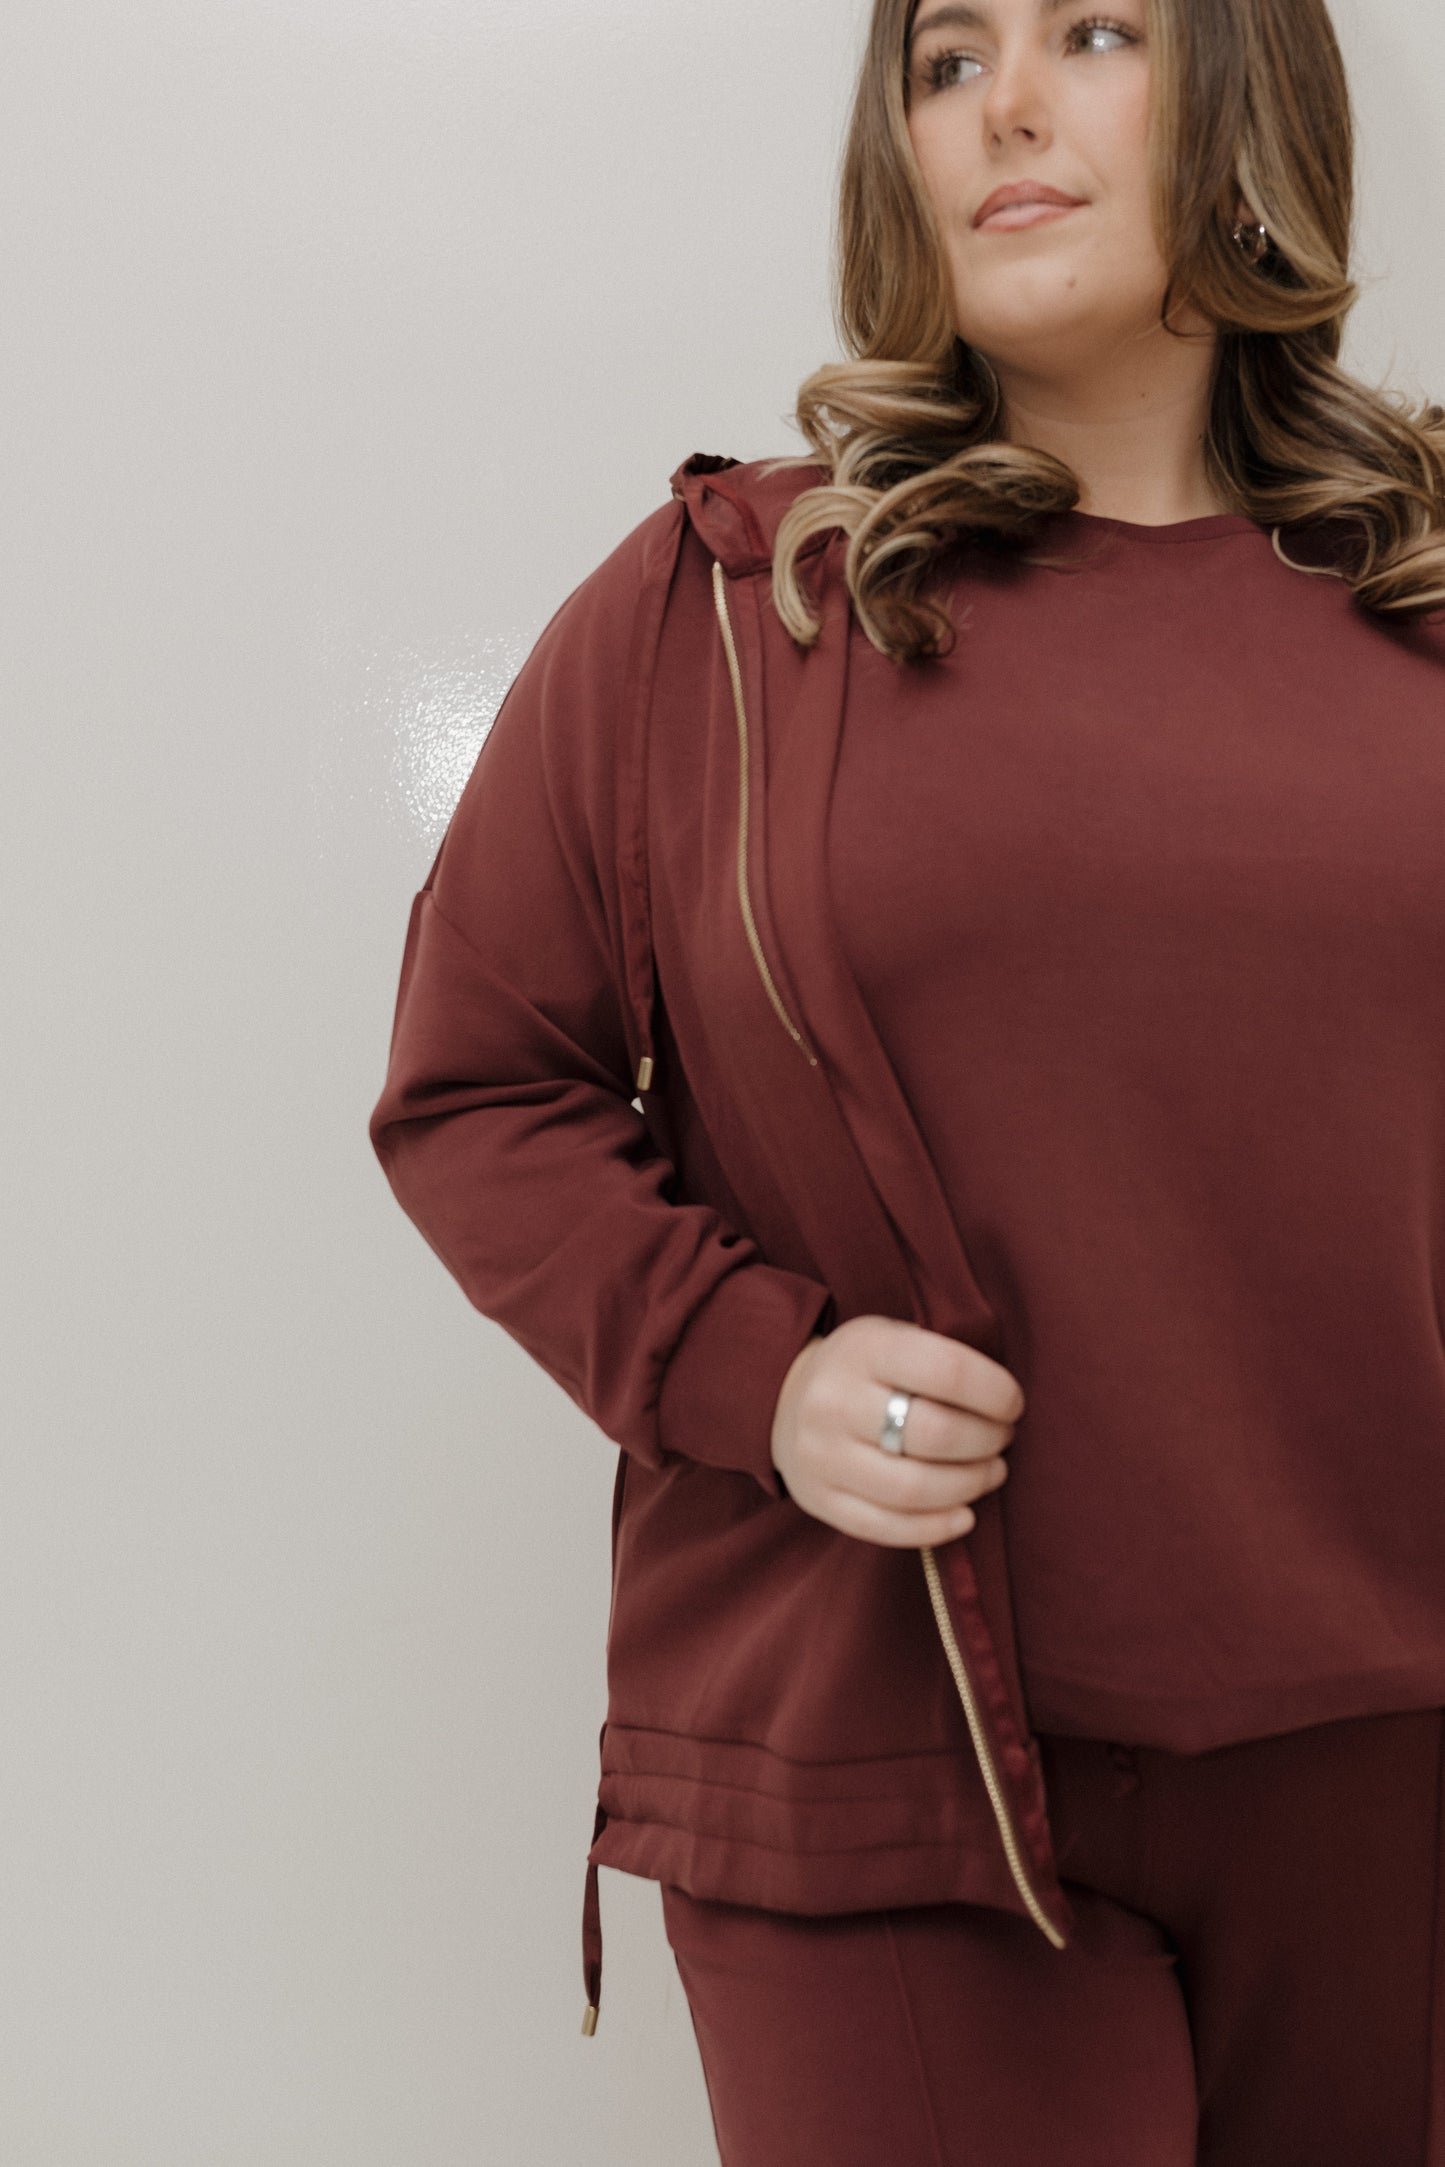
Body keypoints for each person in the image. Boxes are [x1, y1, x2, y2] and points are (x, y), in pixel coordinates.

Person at [367, 0, 1445, 2157]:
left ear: (1254, 101)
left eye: (1092, 35)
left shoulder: (1421, 603)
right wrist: (748, 1369)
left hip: (1388, 1750)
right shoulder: (735, 605)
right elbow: (480, 1084)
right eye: (945, 59)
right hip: (878, 1744)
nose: (1003, 108)